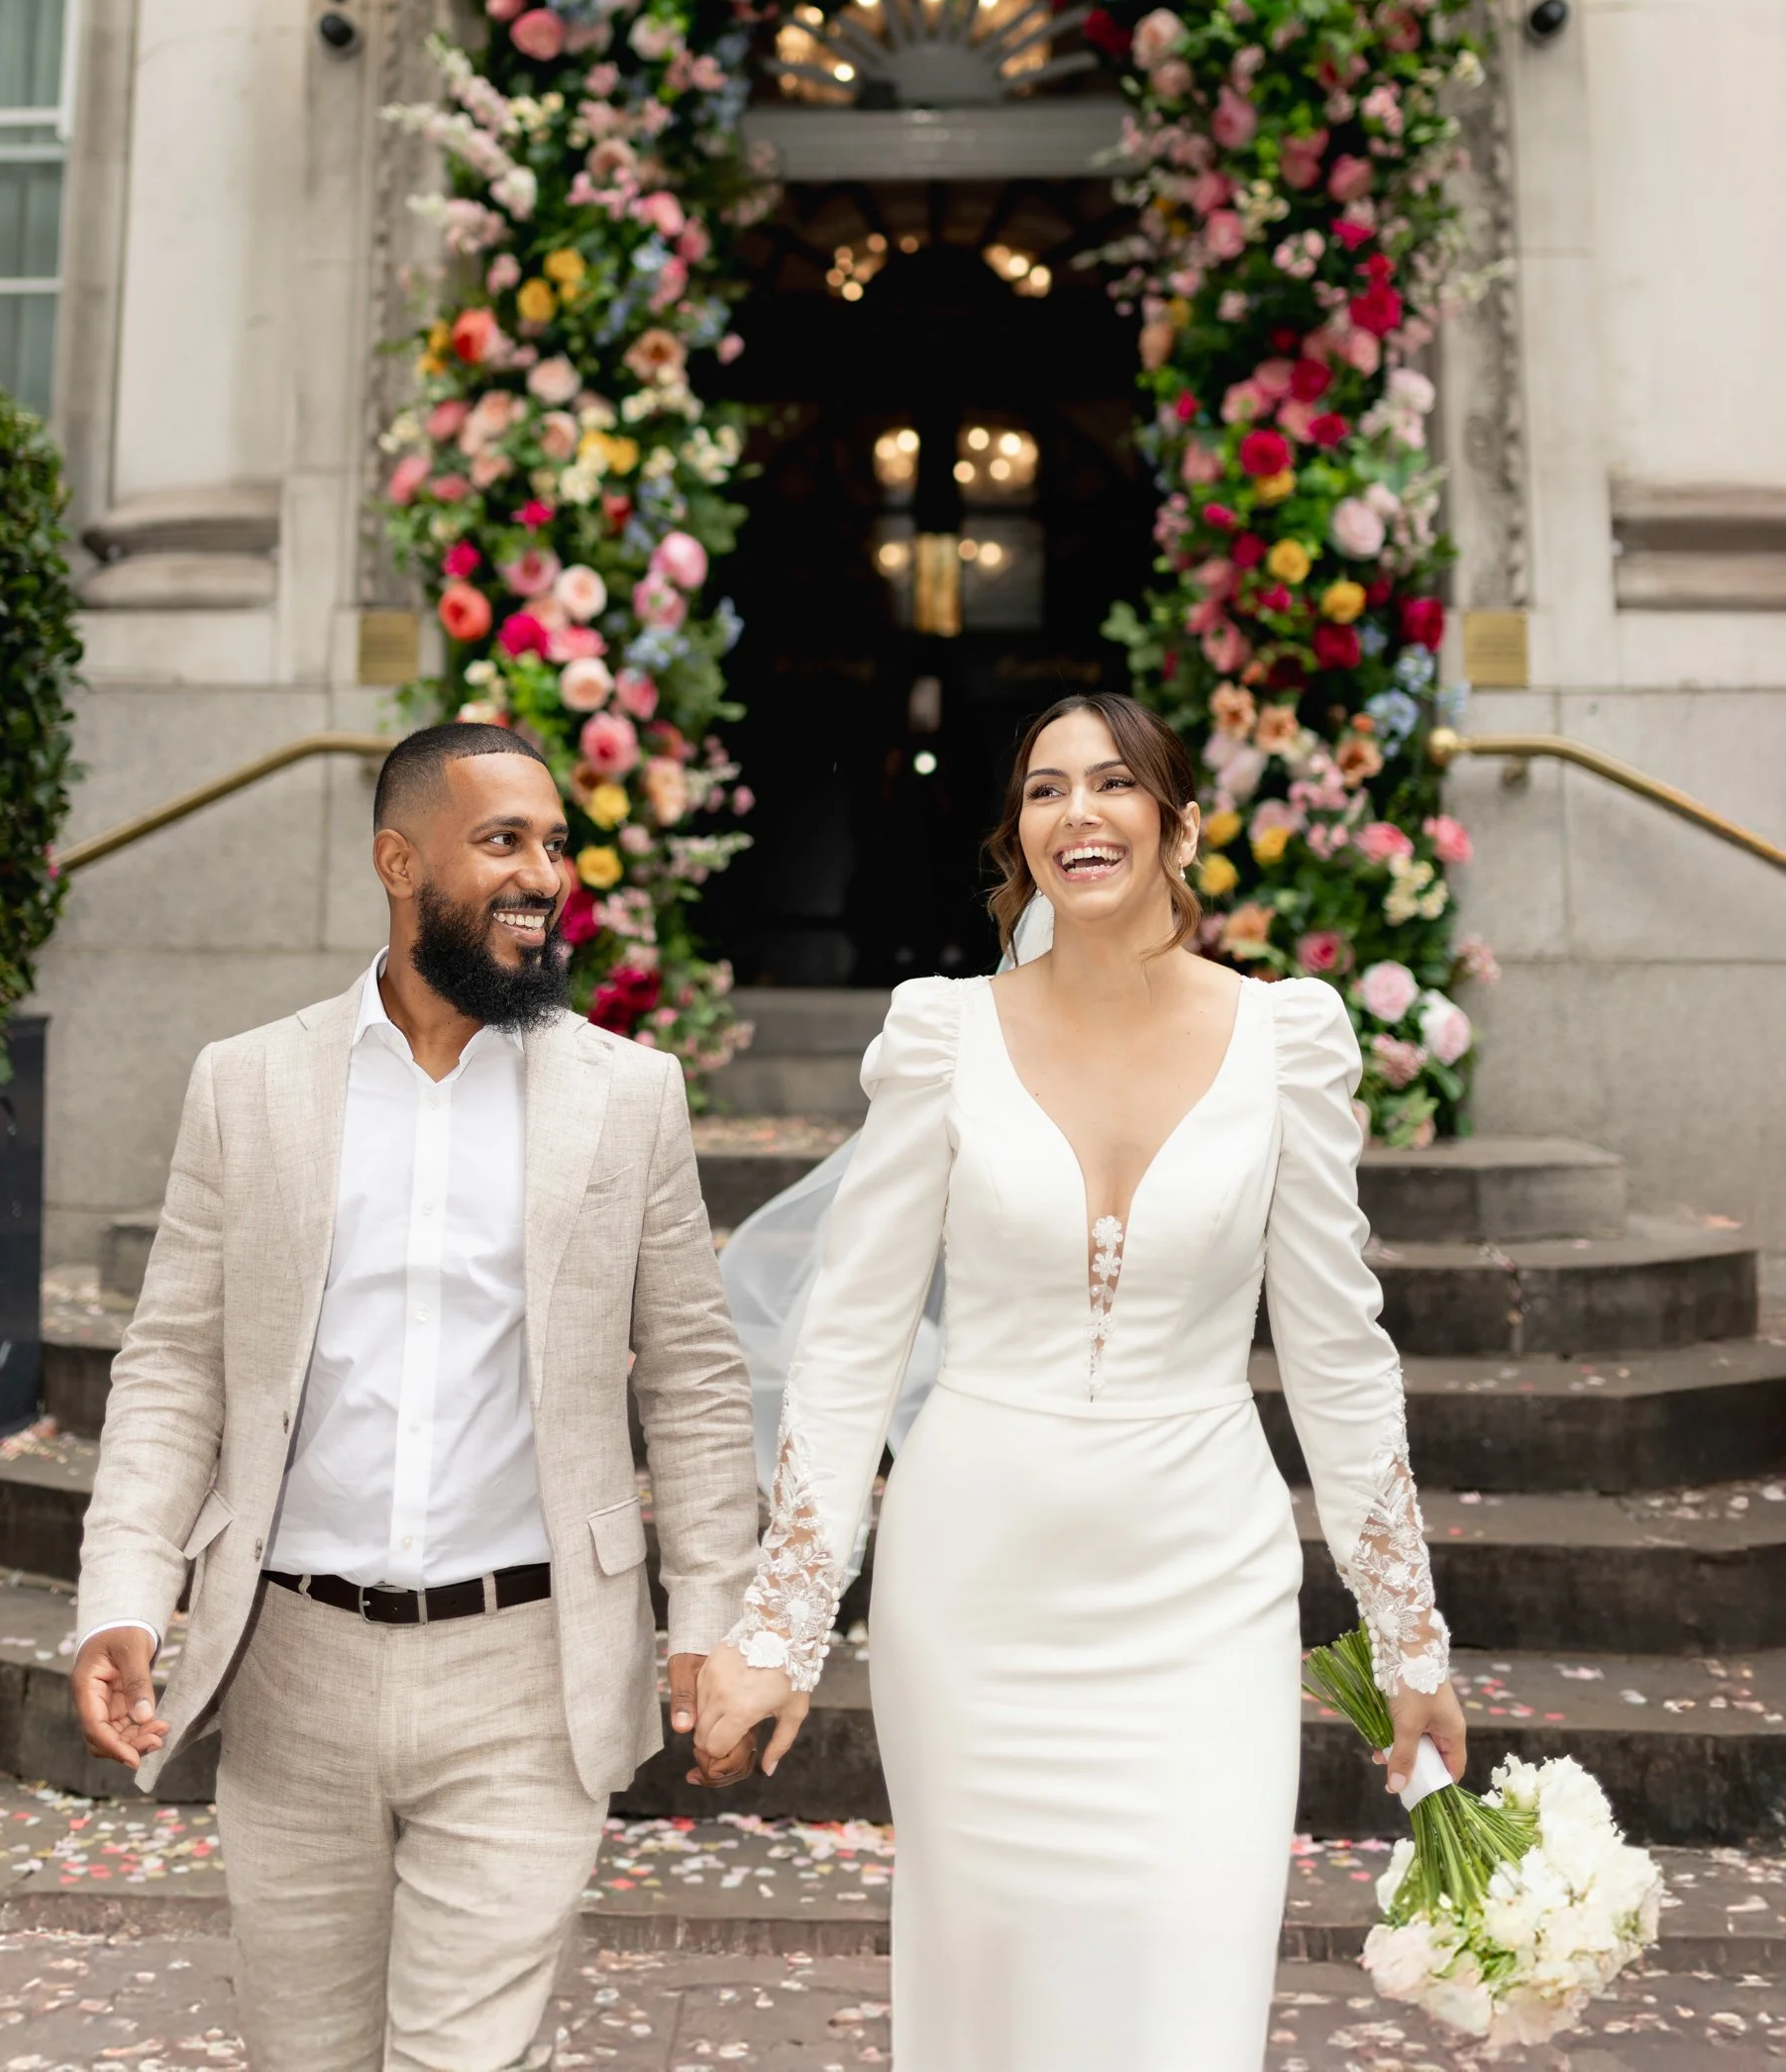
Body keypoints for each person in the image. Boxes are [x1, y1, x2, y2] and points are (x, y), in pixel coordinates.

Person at [692, 690, 1466, 2072]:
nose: (1077, 813)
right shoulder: (943, 1036)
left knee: (1188, 1997)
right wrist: (780, 1634)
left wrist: (1411, 1645)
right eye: (1045, 791)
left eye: (1112, 785)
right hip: (976, 1596)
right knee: (992, 2009)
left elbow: (1342, 1360)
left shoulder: (1287, 1042)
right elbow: (852, 1352)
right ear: (1020, 837)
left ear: (1178, 827)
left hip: (1202, 1597)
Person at [70, 720, 760, 2072]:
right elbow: (170, 1373)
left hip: (528, 1666)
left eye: (555, 845)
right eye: (502, 840)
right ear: (400, 861)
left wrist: (712, 1615)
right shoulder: (249, 1084)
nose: (543, 874)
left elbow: (693, 1378)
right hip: (291, 1669)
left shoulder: (629, 1098)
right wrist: (123, 1592)